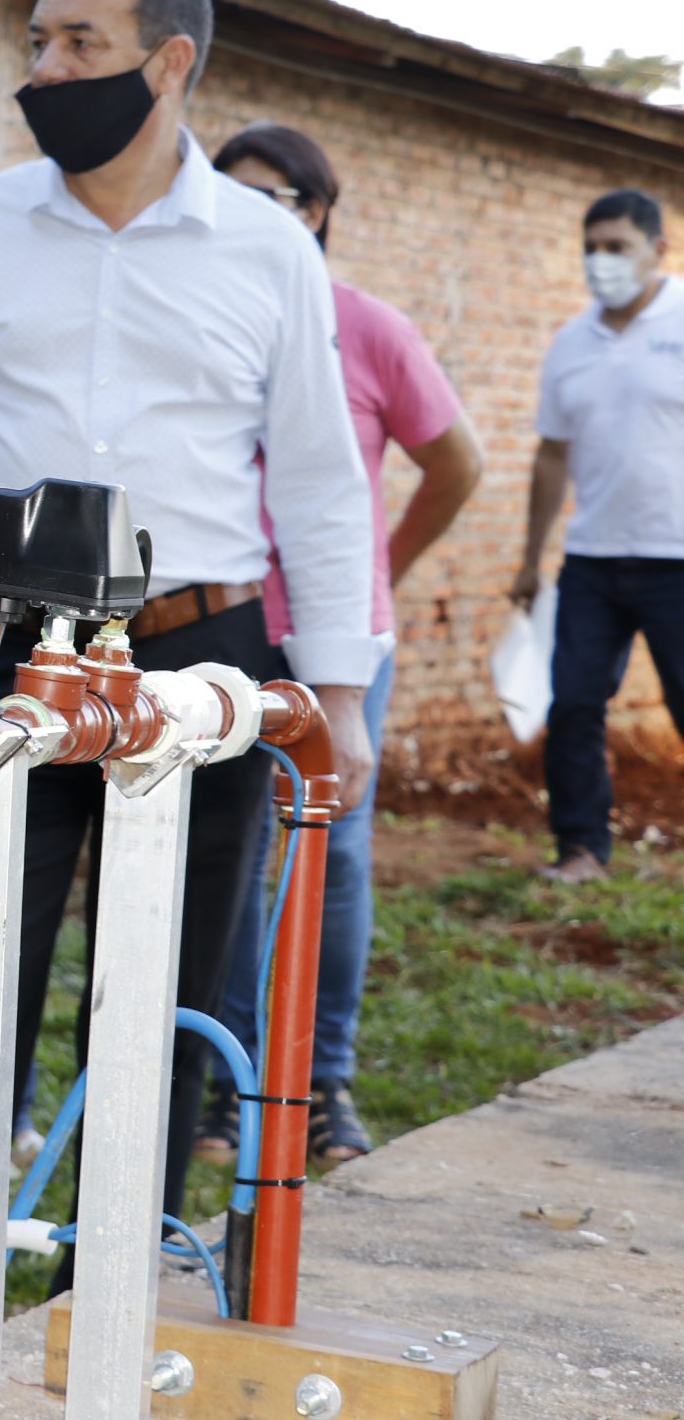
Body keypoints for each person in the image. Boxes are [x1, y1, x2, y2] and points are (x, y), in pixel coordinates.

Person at [0, 0, 379, 1409]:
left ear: (168, 62)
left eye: (76, 46)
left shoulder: (263, 252)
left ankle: (92, 1325)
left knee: (163, 1001)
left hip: (200, 665)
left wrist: (341, 694)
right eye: (37, 42)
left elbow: (319, 478)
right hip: (0, 655)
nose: (41, 71)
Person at [190, 121, 482, 1169]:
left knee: (333, 852)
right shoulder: (197, 319)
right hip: (216, 629)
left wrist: (380, 573)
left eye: (271, 197)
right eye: (224, 193)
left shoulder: (365, 329)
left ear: (315, 212)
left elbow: (456, 462)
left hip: (332, 642)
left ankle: (320, 1082)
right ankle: (226, 1086)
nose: (242, 214)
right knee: (224, 853)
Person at [511, 188, 684, 883]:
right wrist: (530, 559)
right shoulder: (571, 342)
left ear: (658, 251)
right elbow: (553, 454)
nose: (600, 261)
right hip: (593, 560)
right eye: (592, 247)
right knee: (574, 702)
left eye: (616, 247)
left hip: (677, 558)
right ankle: (582, 849)